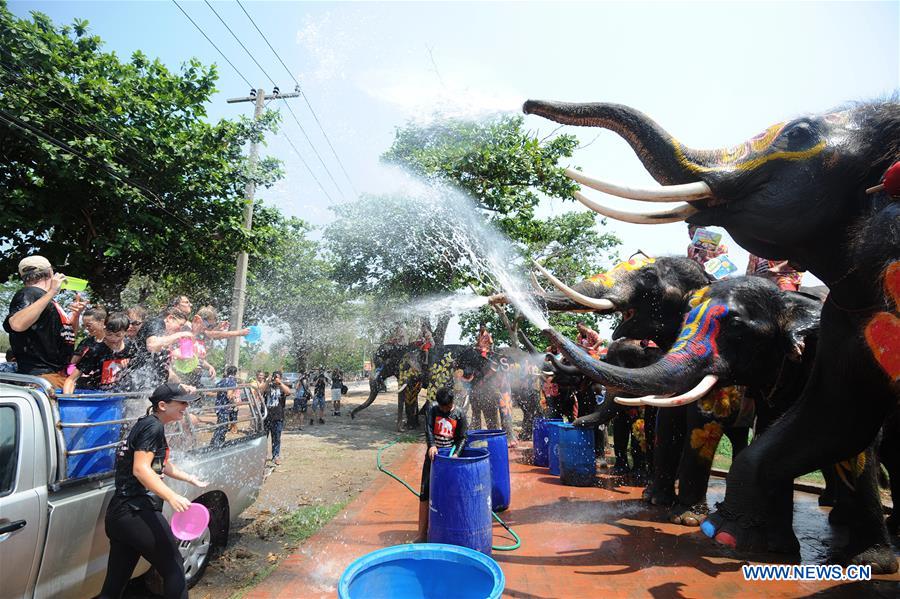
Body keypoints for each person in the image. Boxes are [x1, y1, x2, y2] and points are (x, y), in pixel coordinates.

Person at [98, 383, 208, 599]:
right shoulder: (153, 427)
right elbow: (140, 469)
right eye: (181, 403)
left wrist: (188, 478)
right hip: (136, 511)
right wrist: (172, 496)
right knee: (174, 567)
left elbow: (158, 463)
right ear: (162, 405)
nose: (185, 407)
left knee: (114, 585)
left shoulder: (149, 424)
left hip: (121, 515)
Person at [3, 255, 85, 389]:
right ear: (51, 272)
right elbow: (16, 324)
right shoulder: (30, 293)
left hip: (55, 376)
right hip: (42, 377)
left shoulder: (46, 300)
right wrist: (53, 291)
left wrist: (75, 316)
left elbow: (67, 336)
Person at [416, 386, 468, 542]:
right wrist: (431, 445)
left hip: (451, 460)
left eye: (448, 407)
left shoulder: (459, 414)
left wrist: (457, 454)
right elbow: (429, 429)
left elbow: (462, 438)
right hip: (433, 457)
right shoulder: (432, 409)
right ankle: (421, 535)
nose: (445, 410)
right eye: (442, 407)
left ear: (452, 402)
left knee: (451, 495)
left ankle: (451, 531)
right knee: (425, 494)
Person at [62, 312, 136, 393]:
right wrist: (68, 400)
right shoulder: (96, 351)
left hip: (120, 394)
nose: (113, 338)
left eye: (118, 335)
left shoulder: (131, 348)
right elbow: (71, 379)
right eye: (109, 334)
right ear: (104, 330)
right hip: (96, 393)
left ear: (126, 332)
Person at [123, 307, 192, 391]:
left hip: (148, 387)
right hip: (138, 387)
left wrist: (180, 386)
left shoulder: (162, 336)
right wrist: (180, 335)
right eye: (180, 325)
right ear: (170, 318)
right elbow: (152, 346)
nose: (180, 329)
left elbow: (165, 371)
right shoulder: (157, 322)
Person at [261, 371, 291, 465]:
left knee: (276, 438)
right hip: (266, 416)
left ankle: (276, 456)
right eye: (274, 377)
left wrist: (279, 383)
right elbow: (260, 391)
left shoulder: (282, 387)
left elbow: (288, 392)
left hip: (278, 416)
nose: (275, 379)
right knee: (263, 438)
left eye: (277, 377)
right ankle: (262, 456)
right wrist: (267, 381)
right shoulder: (267, 386)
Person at [211, 366, 239, 447]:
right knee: (223, 427)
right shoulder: (232, 381)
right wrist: (234, 403)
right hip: (224, 408)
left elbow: (215, 391)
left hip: (218, 406)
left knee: (221, 425)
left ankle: (214, 443)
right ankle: (217, 444)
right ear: (235, 373)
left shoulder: (222, 380)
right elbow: (229, 395)